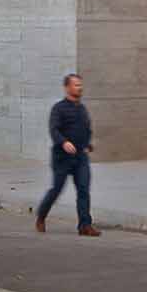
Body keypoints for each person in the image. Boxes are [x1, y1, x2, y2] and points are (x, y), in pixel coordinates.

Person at [35, 70, 100, 234]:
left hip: (80, 157)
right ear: (67, 87)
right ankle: (41, 216)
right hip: (61, 157)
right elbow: (54, 129)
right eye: (76, 85)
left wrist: (87, 144)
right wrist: (63, 143)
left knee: (83, 189)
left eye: (80, 85)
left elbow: (86, 129)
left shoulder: (82, 109)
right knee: (56, 189)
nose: (80, 88)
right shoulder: (58, 109)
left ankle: (85, 225)